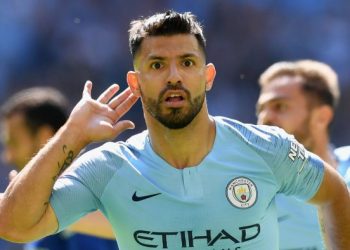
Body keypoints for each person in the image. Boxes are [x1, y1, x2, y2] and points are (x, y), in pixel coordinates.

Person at [0, 10, 349, 250]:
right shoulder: (108, 168)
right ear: (135, 83)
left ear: (207, 76)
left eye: (186, 62)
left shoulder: (265, 148)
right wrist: (71, 136)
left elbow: (334, 192)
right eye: (157, 64)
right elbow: (14, 226)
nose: (174, 76)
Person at [0, 87, 119, 250]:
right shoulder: (35, 203)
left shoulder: (87, 192)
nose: (8, 156)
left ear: (44, 135)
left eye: (14, 143)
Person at [256, 60, 350, 249]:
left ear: (321, 117)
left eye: (280, 106)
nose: (265, 118)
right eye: (261, 109)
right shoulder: (252, 191)